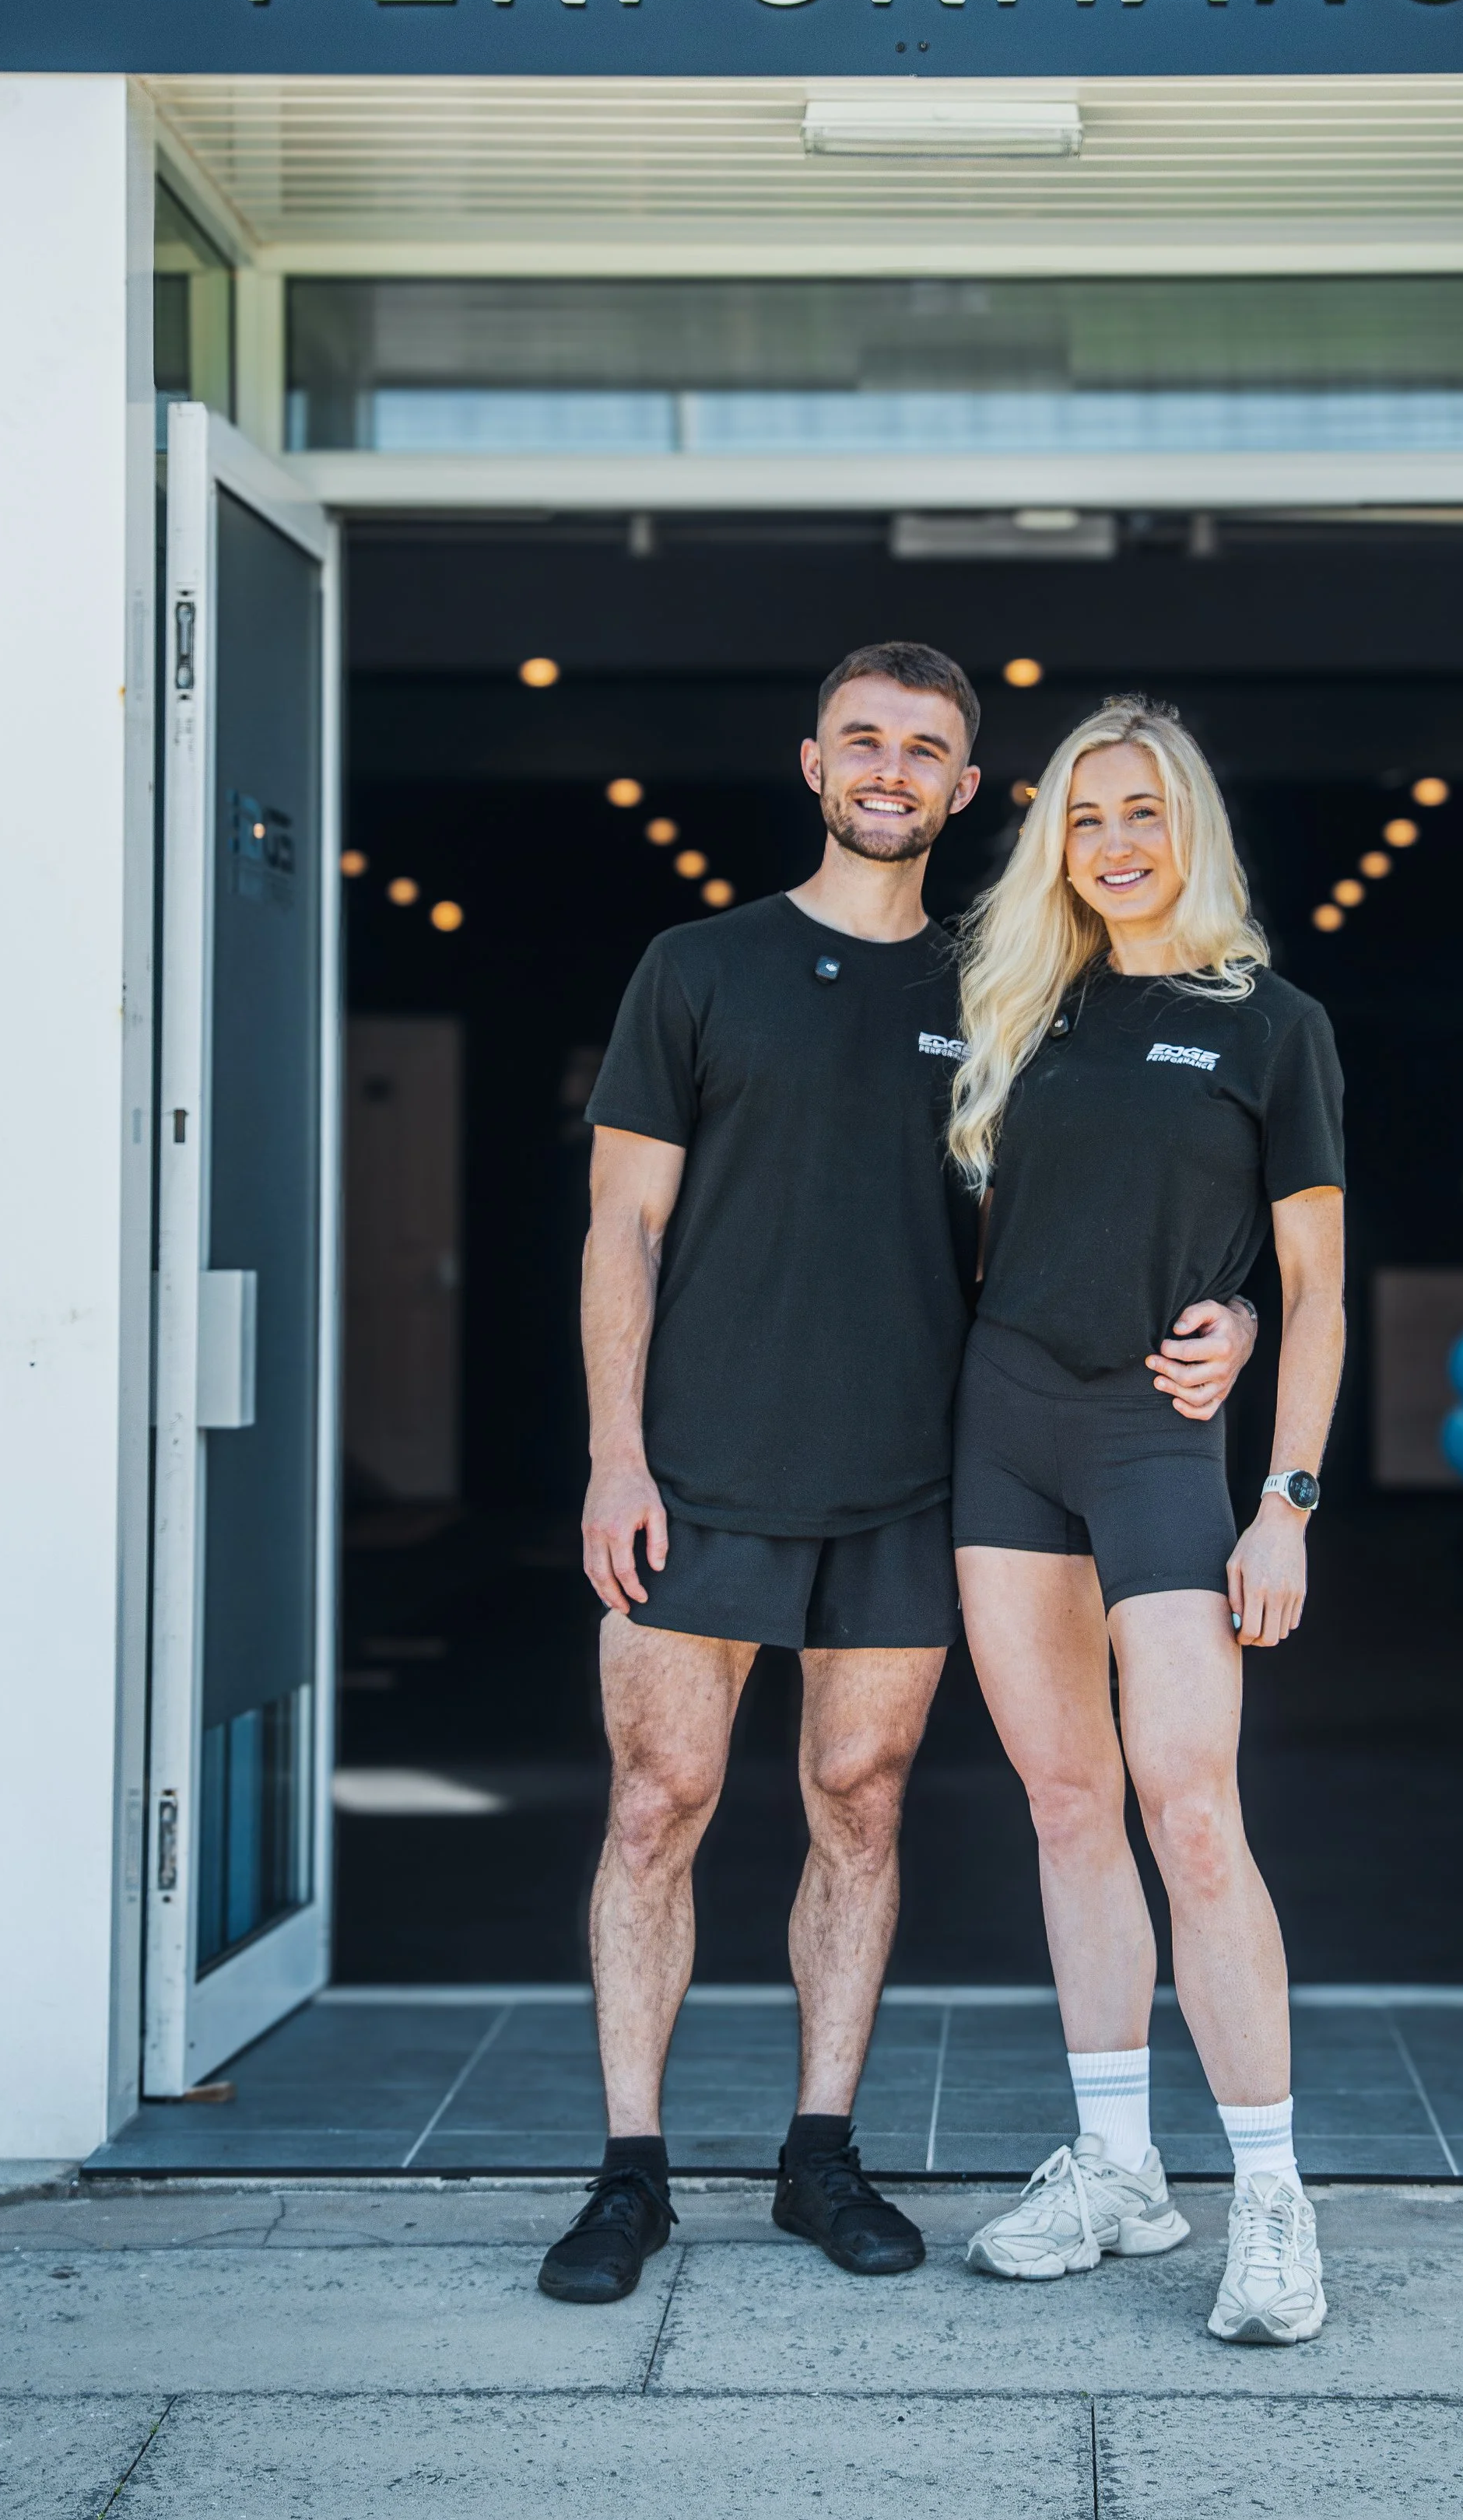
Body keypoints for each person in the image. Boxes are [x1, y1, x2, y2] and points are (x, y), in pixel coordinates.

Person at [538, 646, 1259, 2306]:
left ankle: (818, 2153)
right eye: (860, 737)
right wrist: (612, 1449)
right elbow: (620, 1226)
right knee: (658, 1802)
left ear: (961, 787)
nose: (886, 766)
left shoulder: (1014, 988)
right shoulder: (695, 966)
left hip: (917, 1474)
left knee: (855, 1802)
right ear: (810, 762)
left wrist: (1228, 1304)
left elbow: (1145, 1178)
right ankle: (628, 2171)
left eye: (921, 748)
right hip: (696, 1467)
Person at [947, 695, 1345, 2346]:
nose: (1114, 842)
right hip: (1001, 1427)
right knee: (1061, 1796)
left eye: (1143, 812)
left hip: (1158, 1439)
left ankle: (1270, 2199)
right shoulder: (1013, 1008)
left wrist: (1287, 1496)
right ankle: (1118, 2167)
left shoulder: (1268, 1021)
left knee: (1190, 1808)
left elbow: (1312, 1286)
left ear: (1190, 827)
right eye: (1086, 815)